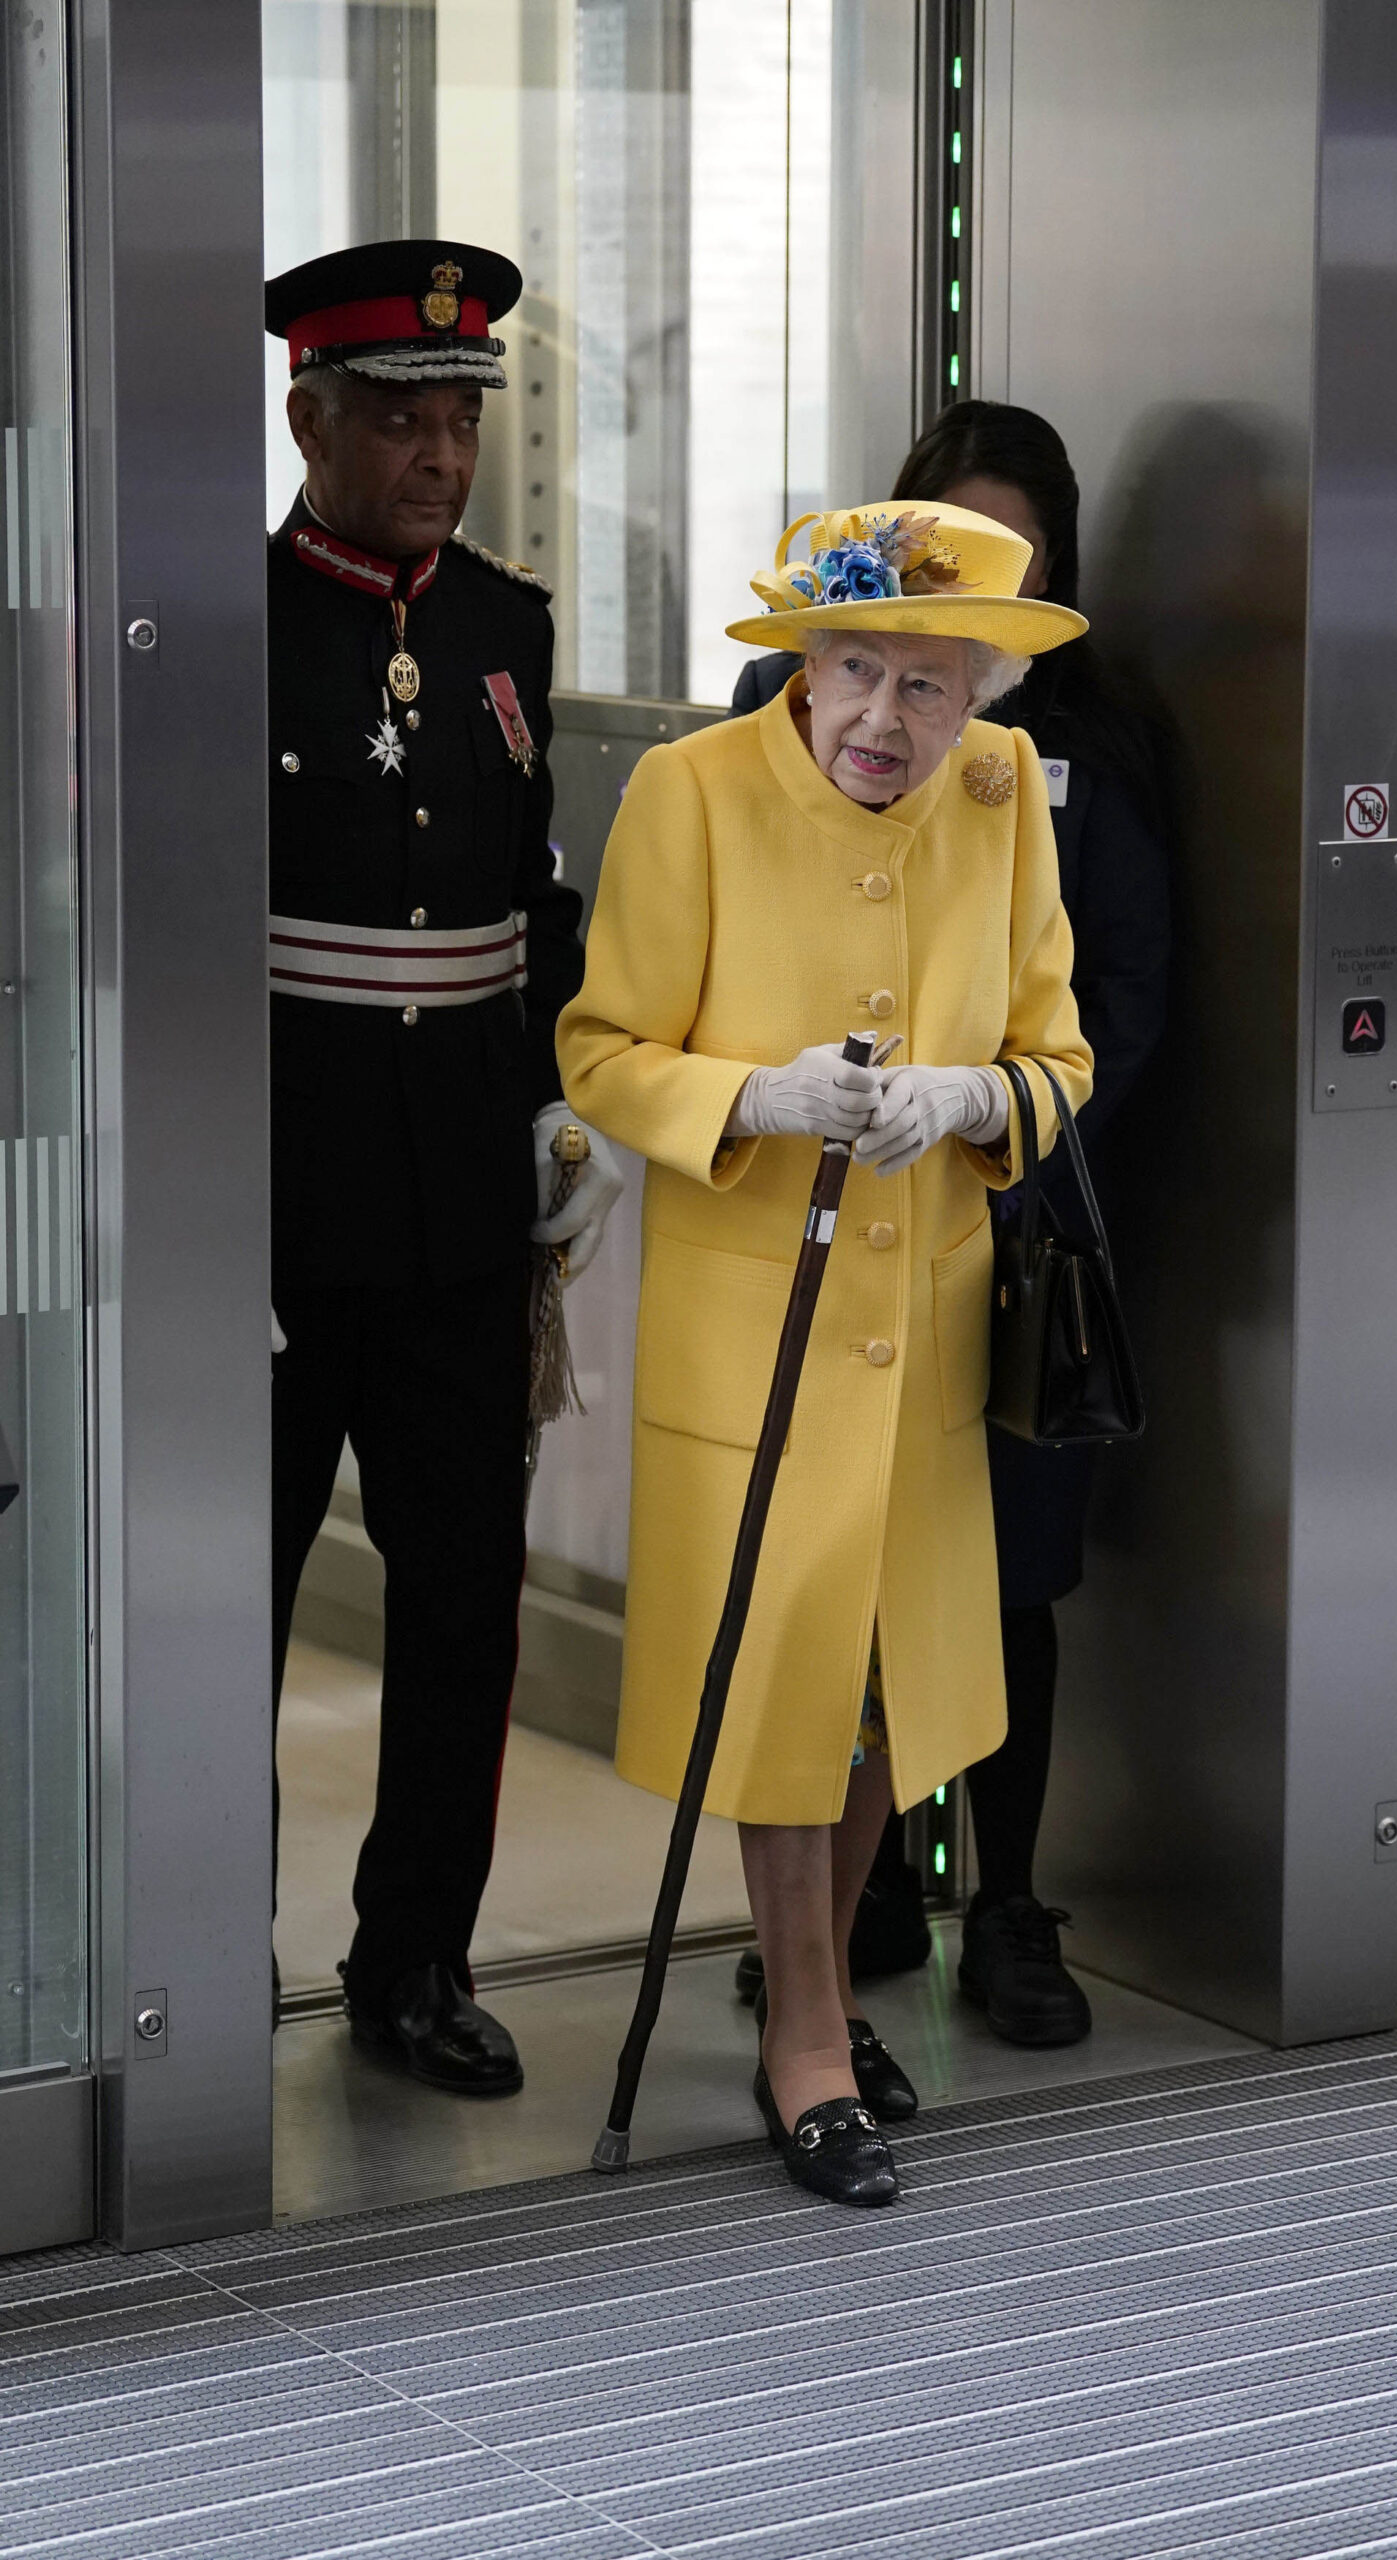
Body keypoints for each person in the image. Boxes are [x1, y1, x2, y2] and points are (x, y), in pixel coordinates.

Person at [559, 502, 1090, 2204]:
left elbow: (1056, 1054)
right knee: (783, 1674)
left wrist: (971, 1099)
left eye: (931, 689)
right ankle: (805, 2034)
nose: (884, 720)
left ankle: (819, 1996)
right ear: (804, 663)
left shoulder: (1003, 806)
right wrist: (750, 1097)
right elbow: (598, 1050)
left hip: (921, 1326)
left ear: (981, 697)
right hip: (753, 1327)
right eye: (856, 670)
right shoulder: (693, 793)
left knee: (882, 1690)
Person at [733, 403, 1172, 2047]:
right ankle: (834, 1935)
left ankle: (1006, 1900)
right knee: (825, 1592)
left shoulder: (1090, 751)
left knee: (1001, 1579)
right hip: (818, 1213)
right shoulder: (797, 718)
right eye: (941, 548)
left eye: (1013, 560)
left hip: (1018, 1217)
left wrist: (992, 1115)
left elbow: (1120, 997)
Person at [263, 240, 622, 2094]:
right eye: (398, 413)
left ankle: (413, 1960)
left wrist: (558, 1086)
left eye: (460, 413)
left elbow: (525, 896)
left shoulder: (501, 623)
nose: (437, 448)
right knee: (221, 1592)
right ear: (306, 413)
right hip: (271, 1209)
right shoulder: (225, 619)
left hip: (461, 1212)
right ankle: (187, 1942)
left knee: (462, 1596)